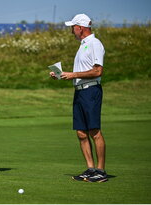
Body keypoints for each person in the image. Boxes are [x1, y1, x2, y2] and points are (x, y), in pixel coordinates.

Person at [50, 14, 108, 182]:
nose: (71, 30)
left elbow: (98, 71)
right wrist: (62, 75)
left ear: (80, 28)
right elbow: (82, 71)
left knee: (94, 131)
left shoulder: (95, 44)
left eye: (73, 27)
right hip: (80, 92)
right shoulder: (83, 45)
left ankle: (101, 171)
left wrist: (74, 74)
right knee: (81, 133)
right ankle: (91, 169)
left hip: (91, 91)